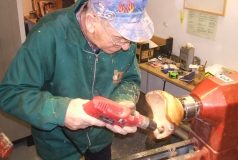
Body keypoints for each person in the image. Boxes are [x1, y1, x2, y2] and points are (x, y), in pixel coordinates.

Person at [0, 0, 154, 159]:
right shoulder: (48, 33)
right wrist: (61, 112)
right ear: (91, 22)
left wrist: (123, 100)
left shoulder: (123, 38)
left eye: (129, 39)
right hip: (58, 143)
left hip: (101, 136)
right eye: (119, 39)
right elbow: (11, 93)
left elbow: (129, 78)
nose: (126, 47)